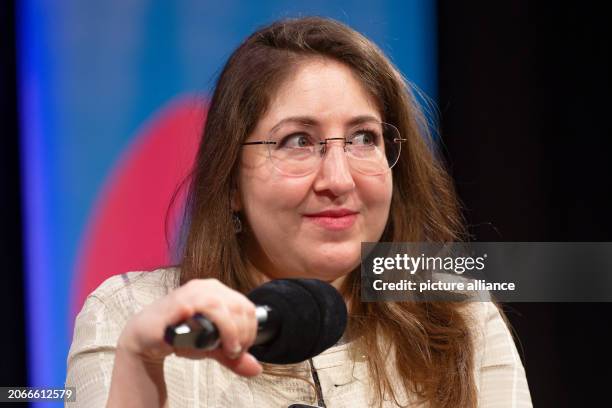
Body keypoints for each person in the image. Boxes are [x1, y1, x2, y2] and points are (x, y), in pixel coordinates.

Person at [66, 17, 532, 407]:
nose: (339, 179)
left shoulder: (459, 317)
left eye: (363, 138)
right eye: (298, 142)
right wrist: (142, 365)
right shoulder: (134, 318)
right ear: (231, 181)